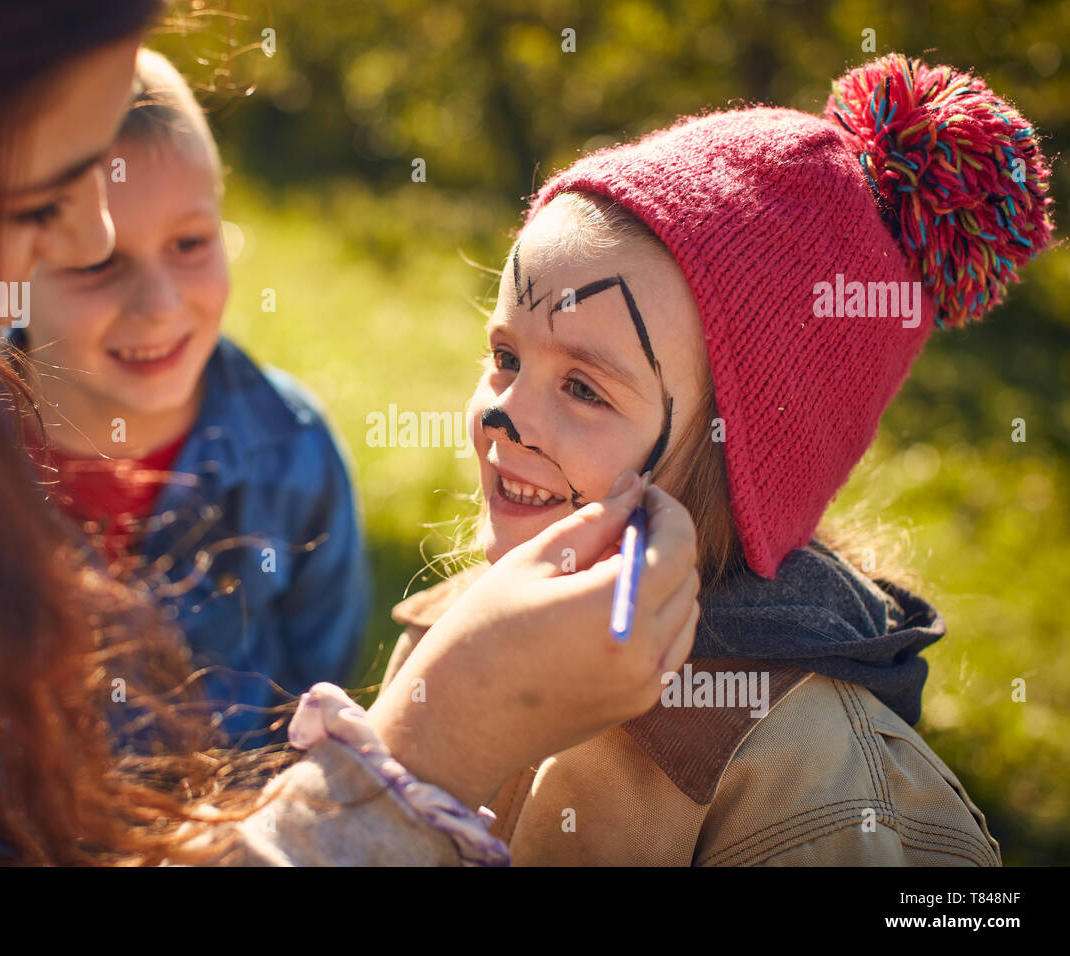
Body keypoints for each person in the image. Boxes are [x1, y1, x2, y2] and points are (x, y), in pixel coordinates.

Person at [0, 0, 700, 865]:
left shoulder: (287, 456)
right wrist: (431, 747)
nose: (90, 233)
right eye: (42, 202)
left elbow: (303, 693)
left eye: (584, 383)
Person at [383, 53, 1054, 865]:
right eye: (507, 355)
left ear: (744, 463)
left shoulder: (825, 799)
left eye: (586, 389)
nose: (502, 412)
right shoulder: (455, 630)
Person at [12, 49, 369, 747]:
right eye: (97, 262)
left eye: (189, 243)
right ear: (10, 262)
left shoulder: (293, 453)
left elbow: (325, 689)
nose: (158, 303)